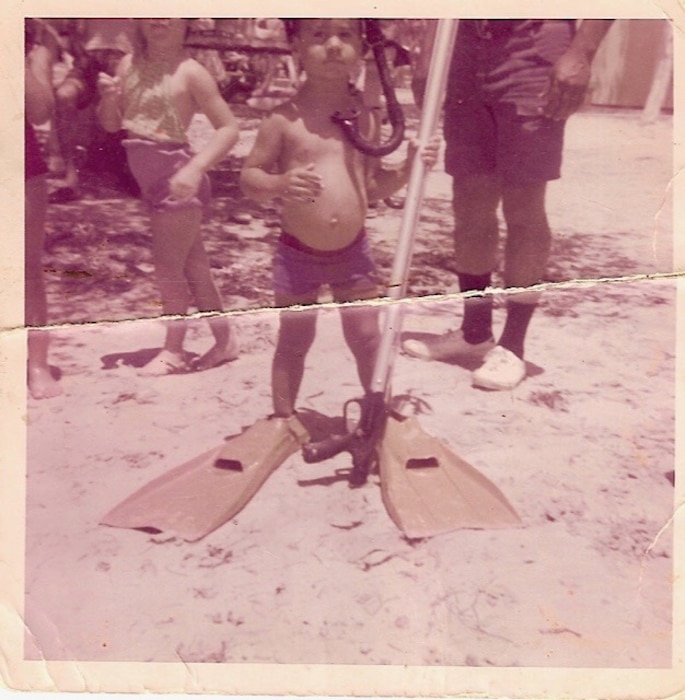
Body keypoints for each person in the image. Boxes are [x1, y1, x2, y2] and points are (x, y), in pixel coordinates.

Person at [240, 18, 439, 418]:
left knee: (367, 337)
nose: (333, 45)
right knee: (295, 339)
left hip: (354, 252)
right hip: (297, 254)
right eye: (318, 35)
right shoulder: (282, 119)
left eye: (345, 35)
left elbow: (372, 186)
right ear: (295, 46)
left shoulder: (365, 117)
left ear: (363, 48)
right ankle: (282, 418)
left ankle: (377, 410)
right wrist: (279, 183)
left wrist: (409, 169)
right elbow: (249, 179)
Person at [402, 19, 614, 390]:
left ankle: (512, 346)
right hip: (466, 51)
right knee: (469, 203)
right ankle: (474, 331)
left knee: (523, 205)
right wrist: (427, 57)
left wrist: (582, 51)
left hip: (533, 50)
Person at [97, 18, 240, 376]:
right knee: (194, 268)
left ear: (186, 24)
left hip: (177, 179)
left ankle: (173, 349)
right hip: (150, 181)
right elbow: (112, 125)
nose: (159, 16)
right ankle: (225, 342)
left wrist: (195, 169)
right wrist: (108, 100)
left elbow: (230, 128)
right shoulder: (129, 65)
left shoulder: (191, 73)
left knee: (168, 269)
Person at [49, 19, 135, 201]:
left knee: (131, 96)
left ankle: (132, 171)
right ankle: (71, 177)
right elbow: (71, 38)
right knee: (64, 95)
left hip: (126, 58)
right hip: (87, 60)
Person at [25, 23, 62, 399]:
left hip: (21, 169)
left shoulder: (33, 46)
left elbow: (39, 111)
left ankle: (37, 363)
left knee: (27, 268)